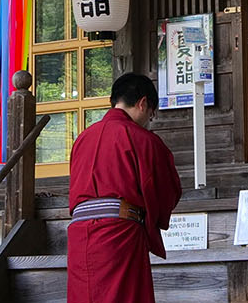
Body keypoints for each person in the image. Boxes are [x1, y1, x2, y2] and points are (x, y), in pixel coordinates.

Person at [66, 74, 183, 303]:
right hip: (119, 233)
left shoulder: (82, 138)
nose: (149, 119)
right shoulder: (143, 139)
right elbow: (165, 189)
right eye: (151, 113)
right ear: (142, 103)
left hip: (79, 233)